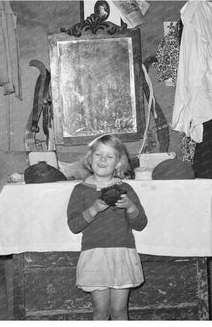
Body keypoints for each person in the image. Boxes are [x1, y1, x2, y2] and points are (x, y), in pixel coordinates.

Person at [67, 134, 148, 320]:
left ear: (118, 163)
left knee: (119, 311)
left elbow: (141, 224)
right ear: (90, 158)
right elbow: (73, 226)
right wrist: (93, 209)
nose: (102, 160)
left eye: (109, 156)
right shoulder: (80, 190)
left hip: (122, 253)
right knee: (100, 311)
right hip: (95, 255)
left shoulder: (125, 188)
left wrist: (130, 206)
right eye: (98, 155)